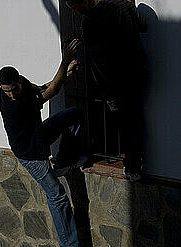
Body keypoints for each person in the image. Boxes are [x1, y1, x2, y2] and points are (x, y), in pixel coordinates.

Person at [0, 40, 96, 247]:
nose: (11, 94)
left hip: (38, 138)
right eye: (7, 91)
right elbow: (53, 91)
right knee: (57, 195)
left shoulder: (24, 87)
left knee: (74, 115)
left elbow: (42, 88)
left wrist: (66, 73)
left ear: (18, 80)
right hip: (30, 155)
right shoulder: (13, 105)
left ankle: (63, 161)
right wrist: (64, 61)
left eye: (13, 89)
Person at [66, 0, 147, 182]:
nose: (76, 11)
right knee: (134, 120)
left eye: (74, 6)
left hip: (116, 81)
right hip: (137, 71)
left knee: (124, 123)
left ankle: (131, 164)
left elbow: (99, 62)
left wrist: (105, 90)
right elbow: (143, 26)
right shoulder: (122, 3)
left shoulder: (90, 22)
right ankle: (134, 162)